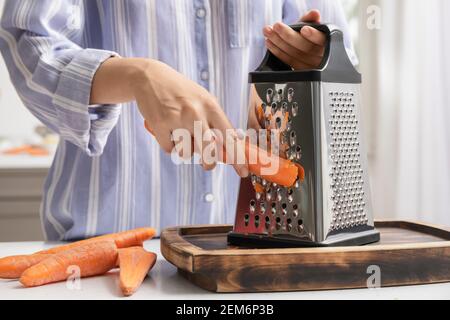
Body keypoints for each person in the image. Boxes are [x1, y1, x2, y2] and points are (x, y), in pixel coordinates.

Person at [0, 0, 356, 240]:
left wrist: (317, 54)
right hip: (104, 253)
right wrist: (135, 75)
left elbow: (340, 46)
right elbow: (27, 40)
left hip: (248, 252)